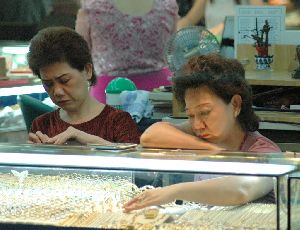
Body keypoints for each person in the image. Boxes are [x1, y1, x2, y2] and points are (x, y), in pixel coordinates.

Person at [123, 54, 281, 212]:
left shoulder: (264, 151)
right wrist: (210, 149)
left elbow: (241, 189)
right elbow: (150, 136)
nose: (197, 125)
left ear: (235, 104)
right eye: (190, 115)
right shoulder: (201, 133)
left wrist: (175, 192)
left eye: (205, 112)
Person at [27, 26, 141, 145]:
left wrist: (93, 142)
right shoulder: (42, 125)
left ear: (87, 71)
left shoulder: (118, 121)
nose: (57, 92)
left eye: (64, 80)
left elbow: (133, 160)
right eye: (48, 84)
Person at [75, 0, 178, 103]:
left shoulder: (92, 6)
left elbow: (80, 56)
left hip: (109, 96)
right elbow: (173, 51)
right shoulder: (167, 5)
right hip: (160, 96)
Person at [176, 0, 263, 35]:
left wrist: (225, 25)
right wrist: (171, 29)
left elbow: (261, 16)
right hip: (212, 50)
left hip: (239, 51)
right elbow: (189, 19)